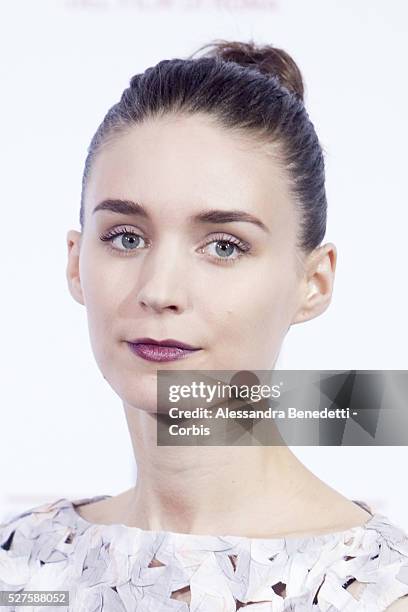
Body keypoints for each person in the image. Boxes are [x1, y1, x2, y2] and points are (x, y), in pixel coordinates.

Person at [1, 39, 408, 611]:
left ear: (312, 282)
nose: (159, 291)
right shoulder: (23, 563)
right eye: (126, 237)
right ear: (76, 262)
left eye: (224, 246)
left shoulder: (380, 589)